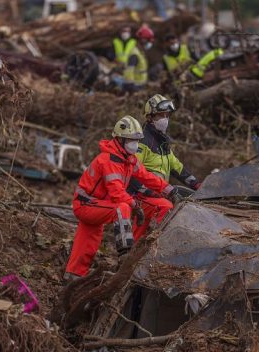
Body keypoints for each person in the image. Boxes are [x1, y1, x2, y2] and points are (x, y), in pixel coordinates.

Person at [64, 116, 177, 281]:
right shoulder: (108, 160)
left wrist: (170, 190)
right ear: (120, 139)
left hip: (96, 204)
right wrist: (135, 206)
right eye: (131, 140)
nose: (135, 144)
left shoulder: (128, 159)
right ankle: (125, 254)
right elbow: (117, 193)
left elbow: (147, 177)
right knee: (121, 208)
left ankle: (72, 277)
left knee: (87, 244)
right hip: (87, 204)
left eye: (137, 140)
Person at [120, 24, 154, 92]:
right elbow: (129, 73)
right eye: (149, 40)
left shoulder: (140, 53)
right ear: (143, 40)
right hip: (135, 87)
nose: (150, 43)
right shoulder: (135, 54)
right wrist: (133, 88)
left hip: (140, 85)